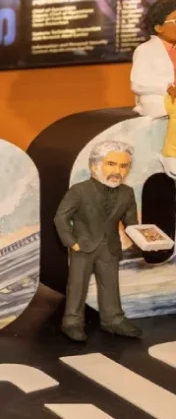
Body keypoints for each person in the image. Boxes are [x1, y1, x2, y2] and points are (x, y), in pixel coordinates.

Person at [54, 140, 142, 342]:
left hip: (110, 248)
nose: (118, 171)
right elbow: (61, 218)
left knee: (110, 285)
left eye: (124, 166)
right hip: (82, 247)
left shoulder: (127, 193)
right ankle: (72, 322)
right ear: (95, 166)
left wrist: (145, 239)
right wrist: (71, 242)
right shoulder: (79, 190)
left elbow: (131, 223)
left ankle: (113, 320)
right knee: (77, 286)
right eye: (111, 164)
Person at [131, 0, 176, 118]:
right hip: (158, 103)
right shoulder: (144, 50)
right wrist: (167, 88)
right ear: (159, 28)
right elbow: (138, 84)